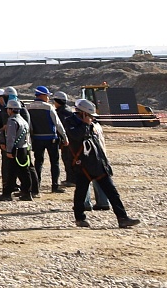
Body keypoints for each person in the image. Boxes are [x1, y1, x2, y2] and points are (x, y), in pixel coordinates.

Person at [65, 99, 140, 228]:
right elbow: (76, 137)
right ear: (82, 113)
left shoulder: (91, 124)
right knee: (81, 193)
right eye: (89, 115)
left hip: (97, 163)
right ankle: (79, 218)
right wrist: (85, 124)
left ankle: (122, 218)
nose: (91, 118)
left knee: (112, 192)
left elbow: (97, 144)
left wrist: (105, 163)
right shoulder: (70, 122)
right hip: (82, 165)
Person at [29, 87, 67, 193]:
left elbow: (29, 125)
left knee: (38, 162)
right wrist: (65, 137)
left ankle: (36, 186)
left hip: (37, 138)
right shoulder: (49, 107)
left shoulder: (29, 107)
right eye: (47, 95)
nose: (48, 97)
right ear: (42, 95)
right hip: (51, 138)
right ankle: (55, 186)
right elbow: (57, 123)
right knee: (54, 163)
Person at [0, 96, 33, 201]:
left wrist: (8, 150)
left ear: (11, 110)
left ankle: (7, 194)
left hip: (15, 149)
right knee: (24, 172)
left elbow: (11, 137)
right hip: (24, 148)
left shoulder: (12, 121)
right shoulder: (23, 121)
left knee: (10, 171)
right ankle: (27, 192)